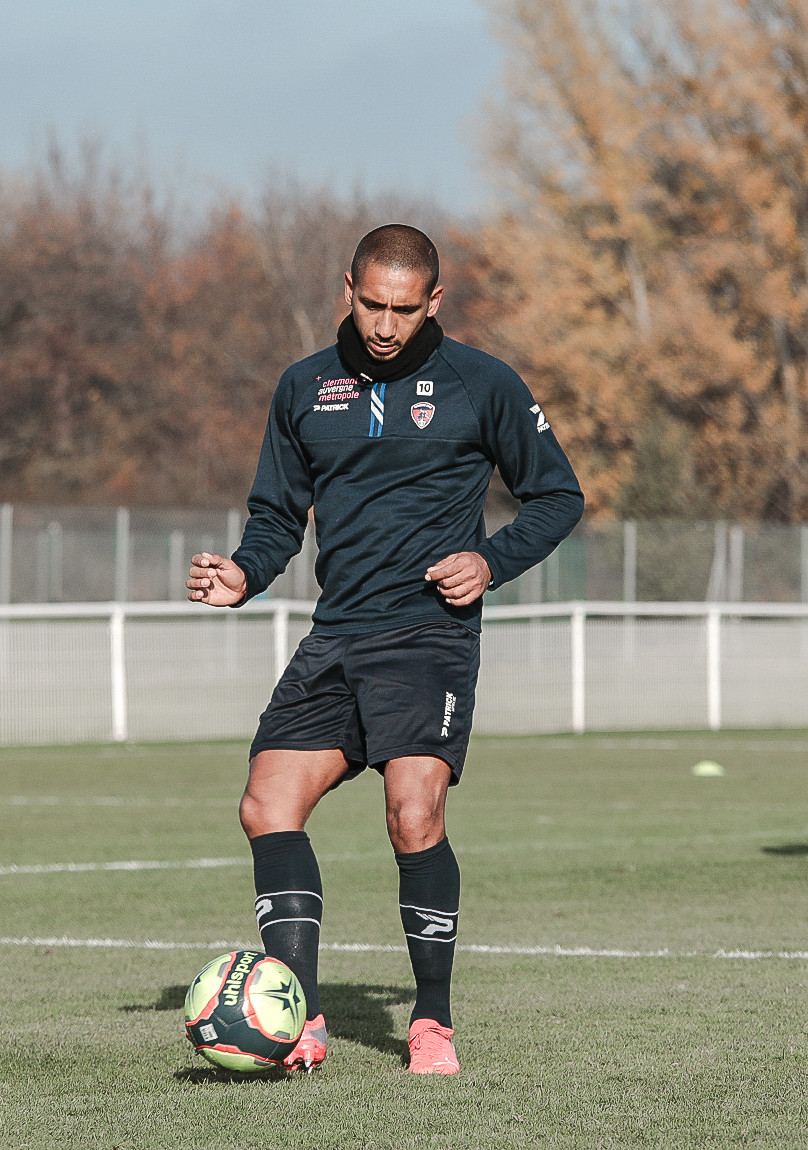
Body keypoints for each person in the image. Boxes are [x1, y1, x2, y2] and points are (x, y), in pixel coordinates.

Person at [187, 225, 583, 1074]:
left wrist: (492, 558)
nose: (386, 325)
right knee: (266, 805)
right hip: (339, 634)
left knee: (413, 815)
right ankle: (300, 1019)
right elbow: (274, 516)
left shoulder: (484, 385)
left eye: (406, 309)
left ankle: (431, 1022)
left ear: (434, 301)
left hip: (429, 635)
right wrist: (244, 575)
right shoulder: (304, 387)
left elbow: (557, 496)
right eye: (373, 304)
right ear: (349, 289)